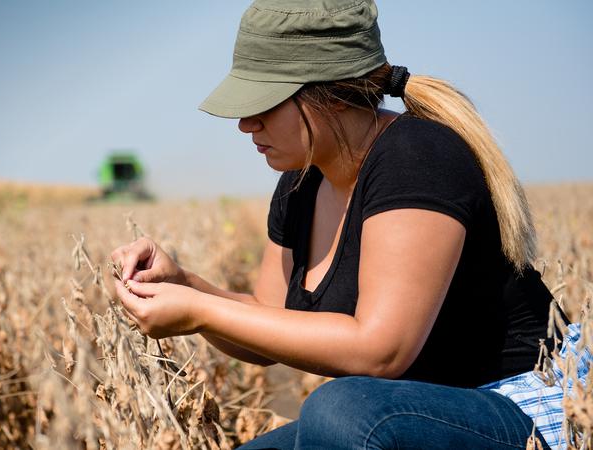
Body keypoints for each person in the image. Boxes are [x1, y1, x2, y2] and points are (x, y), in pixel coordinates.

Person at [110, 1, 574, 448]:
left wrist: (199, 310)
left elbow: (380, 351)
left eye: (264, 103)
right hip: (416, 413)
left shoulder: (417, 157)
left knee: (342, 412)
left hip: (521, 409)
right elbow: (265, 318)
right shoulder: (301, 183)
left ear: (327, 97)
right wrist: (184, 283)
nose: (246, 124)